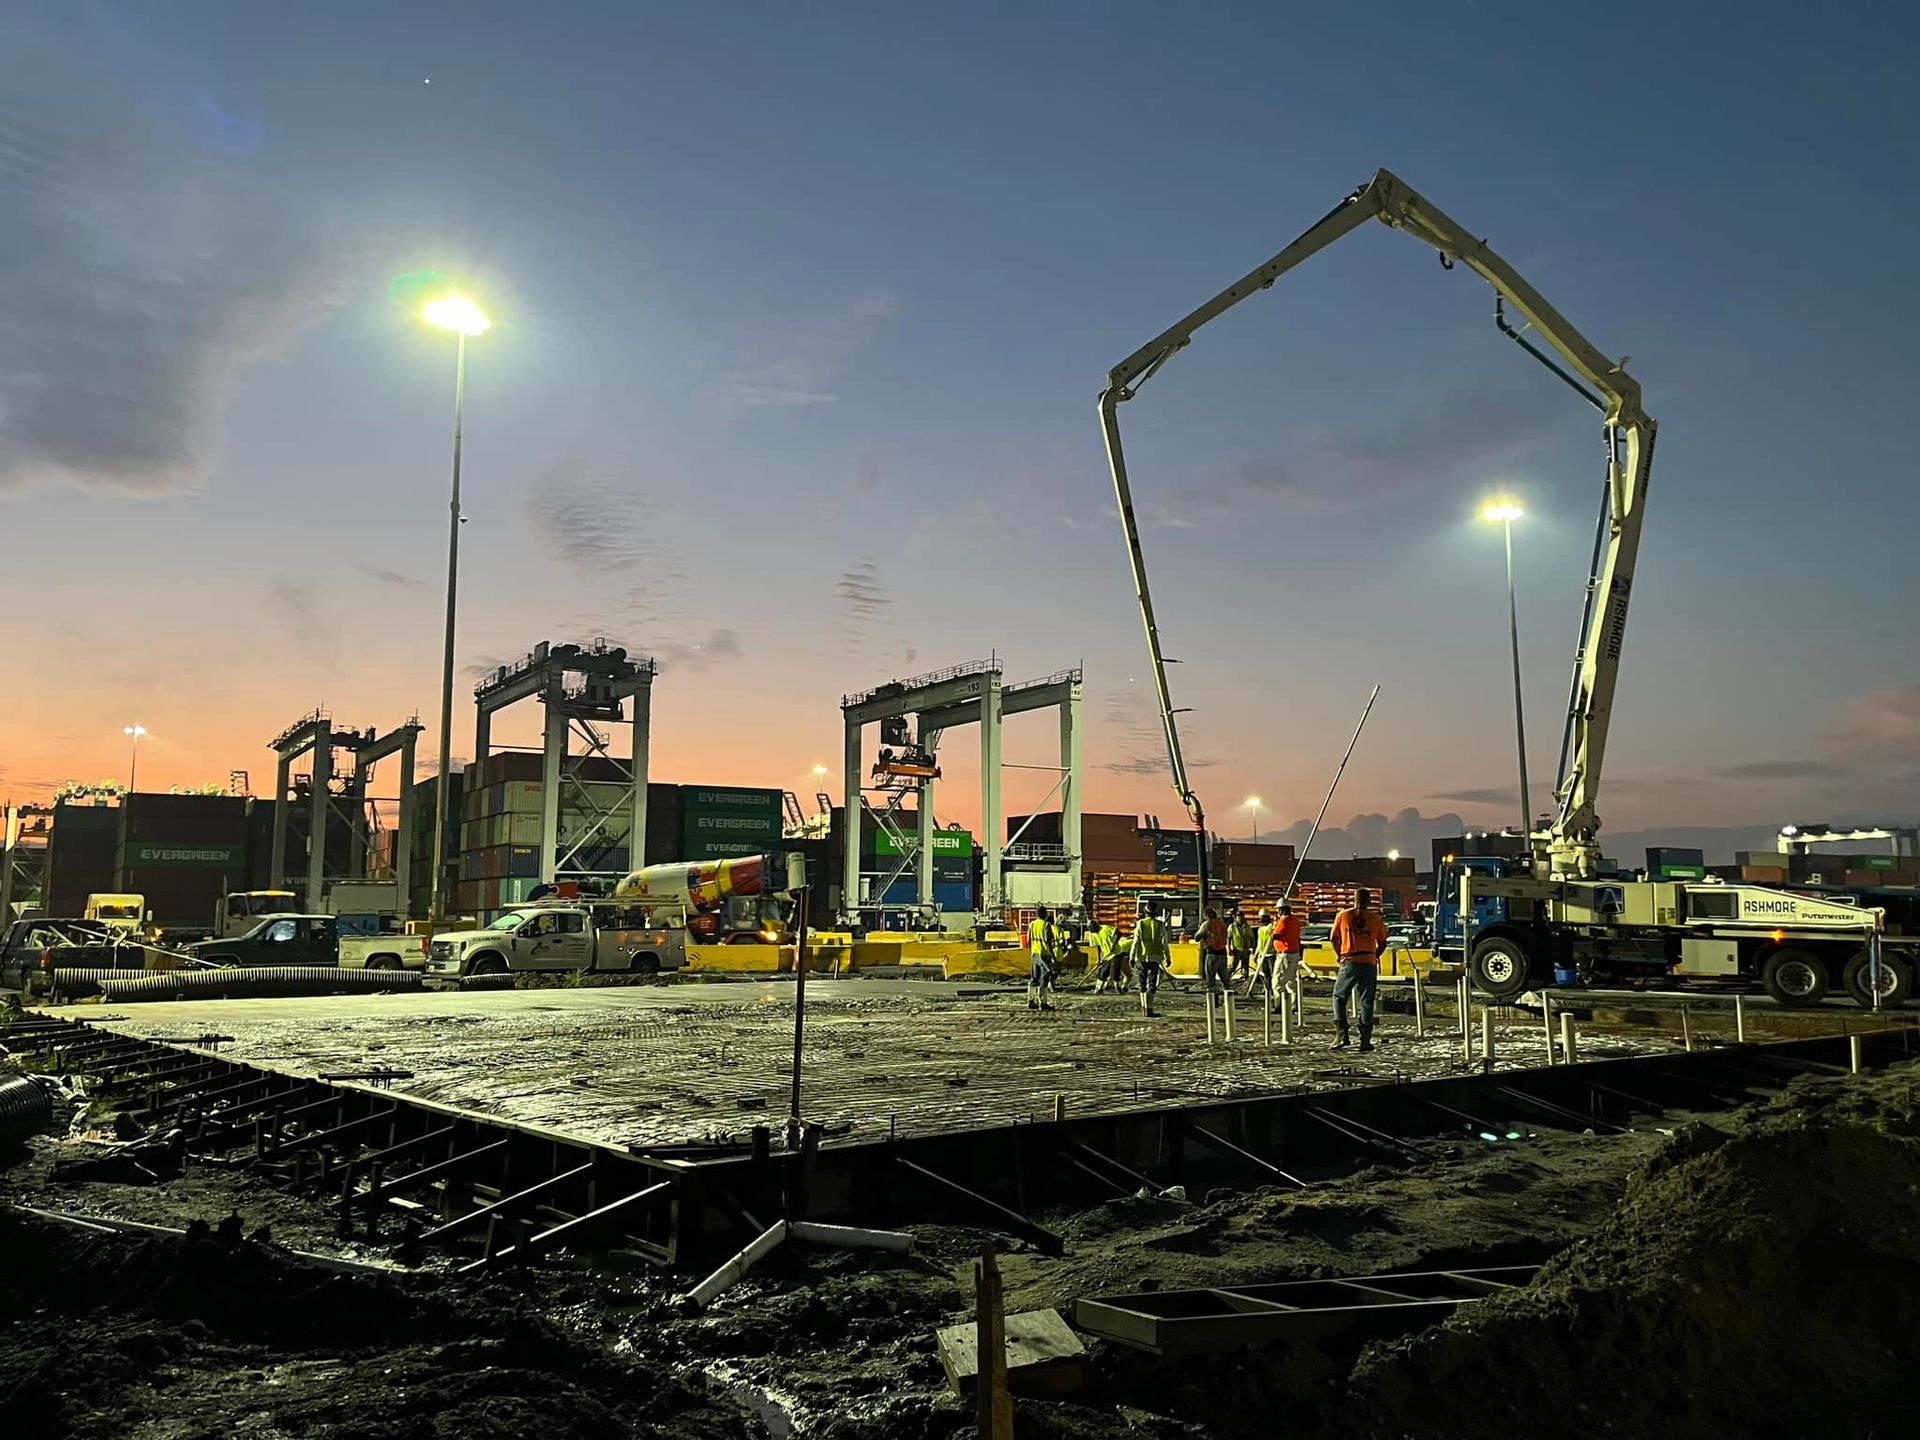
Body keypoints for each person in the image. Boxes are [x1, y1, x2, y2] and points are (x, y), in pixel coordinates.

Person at [1330, 888, 1388, 1051]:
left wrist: (1339, 955)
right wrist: (1375, 955)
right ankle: (1365, 1040)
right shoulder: (1375, 919)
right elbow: (1383, 942)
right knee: (1367, 1001)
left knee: (1339, 997)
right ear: (1369, 901)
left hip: (1349, 960)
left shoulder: (1343, 915)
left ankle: (1342, 1036)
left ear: (1354, 900)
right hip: (1368, 962)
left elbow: (1334, 939)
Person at [1132, 901, 1169, 1017]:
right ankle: (1150, 1009)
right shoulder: (1160, 925)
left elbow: (1135, 942)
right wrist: (1168, 957)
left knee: (1142, 983)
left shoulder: (1140, 924)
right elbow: (1164, 943)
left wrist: (1131, 957)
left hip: (1141, 957)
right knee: (1152, 984)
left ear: (1145, 912)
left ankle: (1144, 1008)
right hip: (1155, 957)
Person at [1269, 900, 1305, 1013]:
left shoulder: (1283, 921)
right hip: (1294, 953)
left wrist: (1275, 925)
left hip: (1284, 954)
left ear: (1281, 909)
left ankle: (1279, 1005)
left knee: (1277, 982)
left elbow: (1275, 936)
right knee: (1291, 981)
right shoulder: (1296, 921)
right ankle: (1294, 1005)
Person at [1027, 906, 1059, 1011]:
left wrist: (1032, 951)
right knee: (1044, 978)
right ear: (1045, 914)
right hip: (1044, 954)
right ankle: (1043, 1003)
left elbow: (1028, 941)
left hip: (1035, 953)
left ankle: (1031, 1000)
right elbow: (1048, 941)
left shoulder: (1031, 924)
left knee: (1034, 978)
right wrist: (1053, 957)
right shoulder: (1046, 925)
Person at [1200, 904, 1231, 996]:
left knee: (1210, 976)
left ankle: (1213, 997)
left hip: (1212, 952)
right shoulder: (1222, 923)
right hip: (1223, 952)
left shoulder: (1207, 924)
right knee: (1224, 976)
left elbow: (1197, 936)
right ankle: (1228, 995)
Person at [1088, 921, 1123, 993]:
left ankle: (1118, 989)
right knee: (1103, 972)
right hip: (1106, 956)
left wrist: (1114, 944)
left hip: (1115, 953)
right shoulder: (1093, 935)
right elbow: (1098, 946)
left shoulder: (1105, 928)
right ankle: (1099, 988)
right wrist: (1099, 958)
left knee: (1115, 972)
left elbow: (1118, 933)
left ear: (1096, 926)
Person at [1227, 909, 1255, 988]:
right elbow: (1229, 938)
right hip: (1237, 949)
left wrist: (1253, 947)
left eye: (1241, 917)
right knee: (1233, 966)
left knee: (1245, 966)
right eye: (1238, 917)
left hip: (1245, 949)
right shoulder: (1232, 927)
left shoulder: (1247, 926)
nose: (1240, 918)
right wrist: (1229, 948)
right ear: (1235, 917)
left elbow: (1251, 937)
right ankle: (1226, 980)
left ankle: (1245, 981)